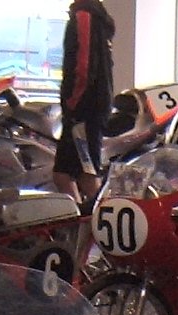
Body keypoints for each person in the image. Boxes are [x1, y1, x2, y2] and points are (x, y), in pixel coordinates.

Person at [52, 0, 113, 202]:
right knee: (65, 174)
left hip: (85, 109)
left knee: (86, 175)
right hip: (88, 107)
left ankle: (98, 217)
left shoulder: (84, 16)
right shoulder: (94, 16)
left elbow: (83, 64)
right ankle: (81, 218)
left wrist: (73, 101)